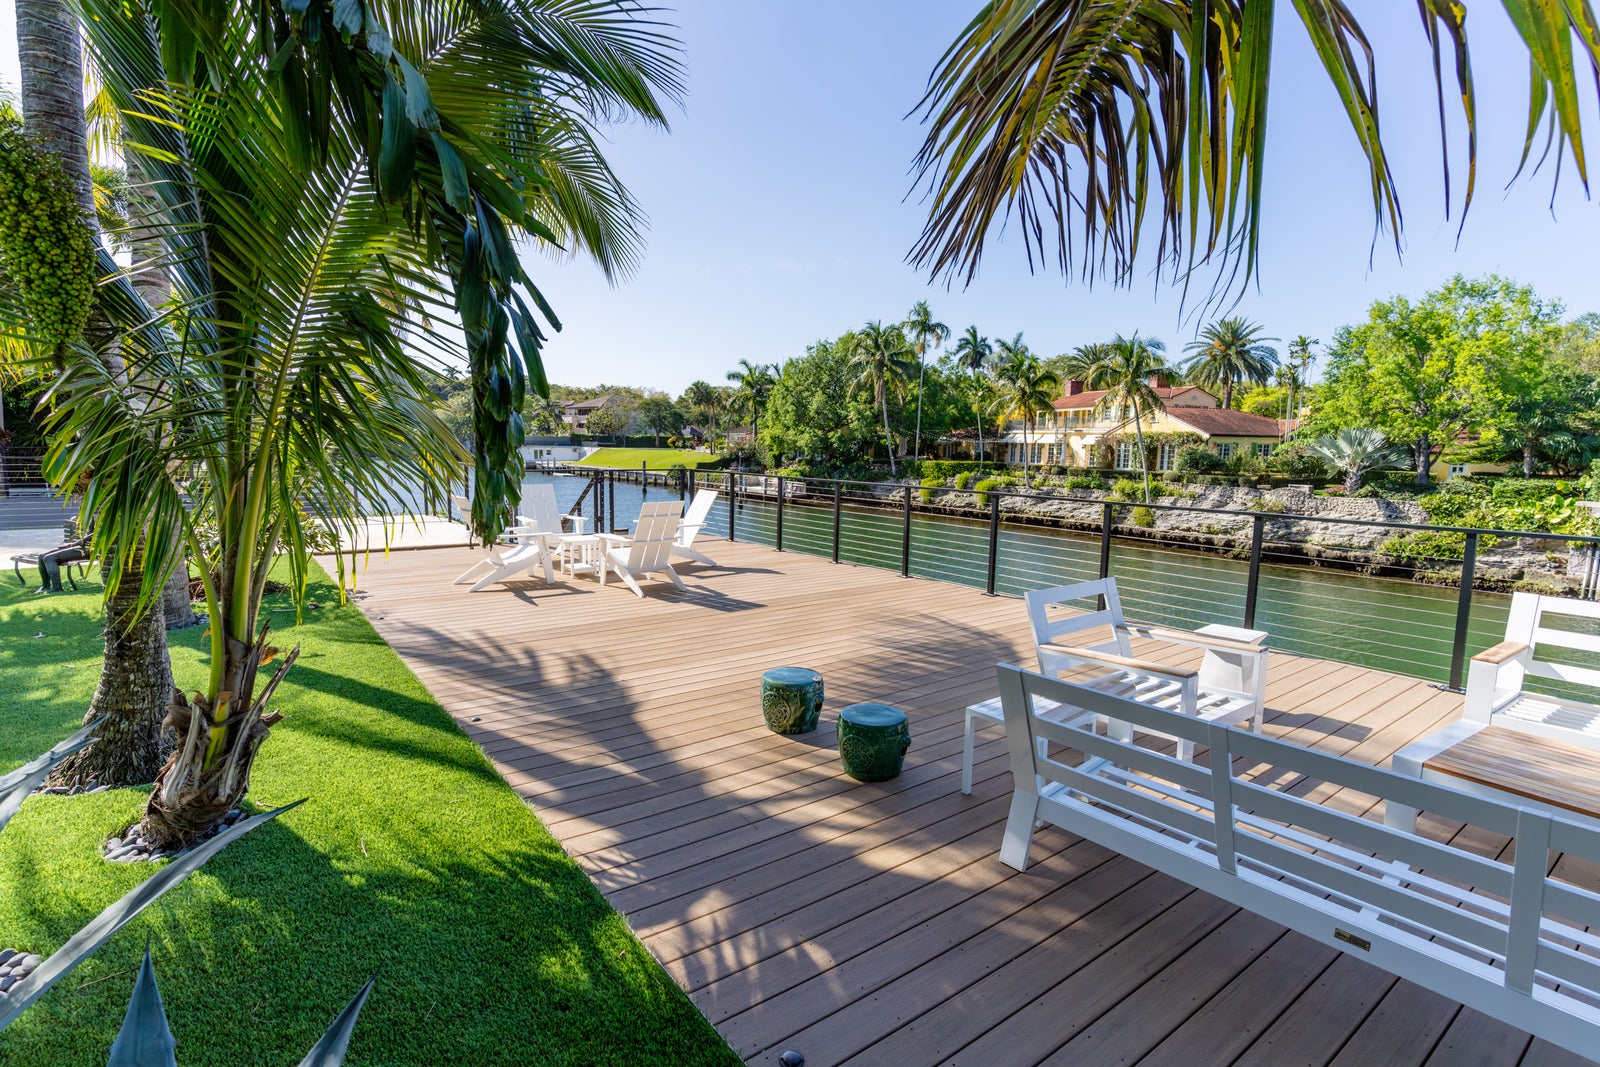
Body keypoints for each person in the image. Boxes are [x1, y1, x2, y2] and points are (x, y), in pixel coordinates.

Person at [36, 527, 92, 593]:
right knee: (41, 556)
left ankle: (57, 587)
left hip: (90, 550)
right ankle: (45, 585)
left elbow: (96, 534)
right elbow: (90, 533)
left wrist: (74, 544)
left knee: (49, 558)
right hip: (83, 546)